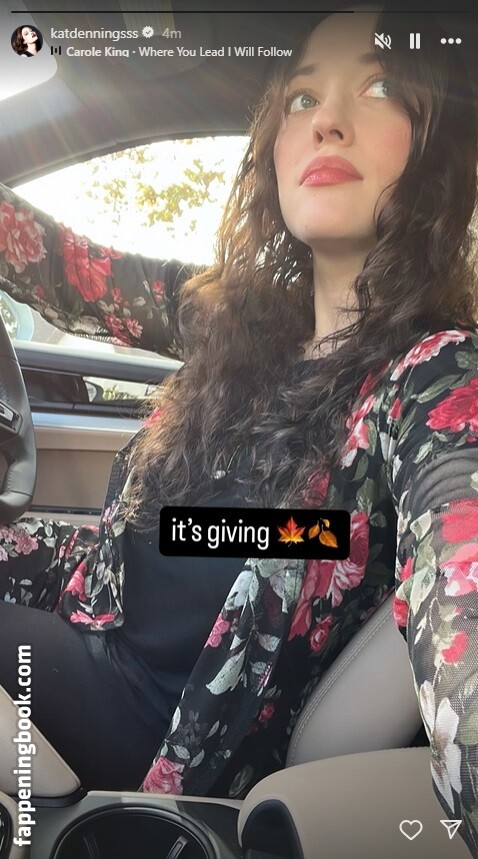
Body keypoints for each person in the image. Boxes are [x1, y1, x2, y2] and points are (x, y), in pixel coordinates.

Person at [0, 6, 478, 855]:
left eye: (377, 87)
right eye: (302, 97)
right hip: (99, 620)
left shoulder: (433, 379)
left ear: (435, 150)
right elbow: (63, 268)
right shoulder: (242, 320)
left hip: (162, 729)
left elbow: (462, 576)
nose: (327, 120)